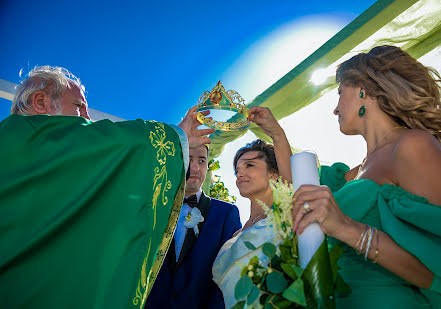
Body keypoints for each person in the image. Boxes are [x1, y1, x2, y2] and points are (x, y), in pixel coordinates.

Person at [214, 45, 441, 308]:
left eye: (339, 92)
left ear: (362, 90)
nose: (335, 109)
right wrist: (276, 133)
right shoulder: (354, 173)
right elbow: (298, 190)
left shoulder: (414, 146)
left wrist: (346, 228)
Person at [0, 66, 214, 308]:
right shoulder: (23, 138)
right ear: (40, 102)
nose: (87, 119)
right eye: (79, 106)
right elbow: (115, 143)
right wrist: (177, 136)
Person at [145, 144, 242, 308]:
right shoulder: (152, 207)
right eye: (188, 159)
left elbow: (229, 276)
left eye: (202, 160)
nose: (195, 167)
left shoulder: (226, 213)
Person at [212, 111, 292, 308]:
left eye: (249, 165)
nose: (240, 174)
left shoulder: (288, 214)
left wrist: (278, 135)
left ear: (274, 174)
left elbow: (293, 184)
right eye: (237, 170)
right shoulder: (236, 233)